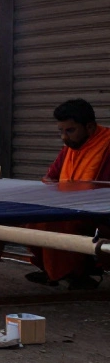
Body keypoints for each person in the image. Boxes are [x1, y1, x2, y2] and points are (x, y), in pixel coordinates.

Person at [25, 99, 110, 289]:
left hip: (99, 213)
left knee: (56, 221)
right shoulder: (70, 148)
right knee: (33, 218)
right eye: (61, 131)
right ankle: (51, 270)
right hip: (72, 208)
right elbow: (50, 178)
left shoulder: (107, 146)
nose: (64, 137)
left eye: (70, 130)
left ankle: (77, 274)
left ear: (89, 127)